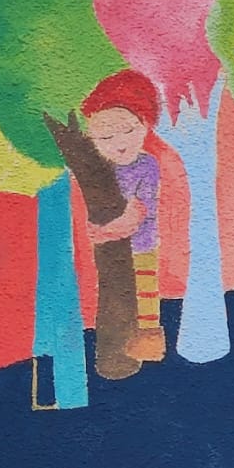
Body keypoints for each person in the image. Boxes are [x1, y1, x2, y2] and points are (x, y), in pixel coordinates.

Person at [79, 69, 190, 363]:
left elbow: (137, 214)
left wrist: (104, 233)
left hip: (141, 245)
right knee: (118, 299)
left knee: (146, 296)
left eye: (128, 130)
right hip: (112, 252)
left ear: (144, 125)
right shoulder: (102, 170)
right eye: (105, 136)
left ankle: (150, 346)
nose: (119, 141)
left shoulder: (146, 166)